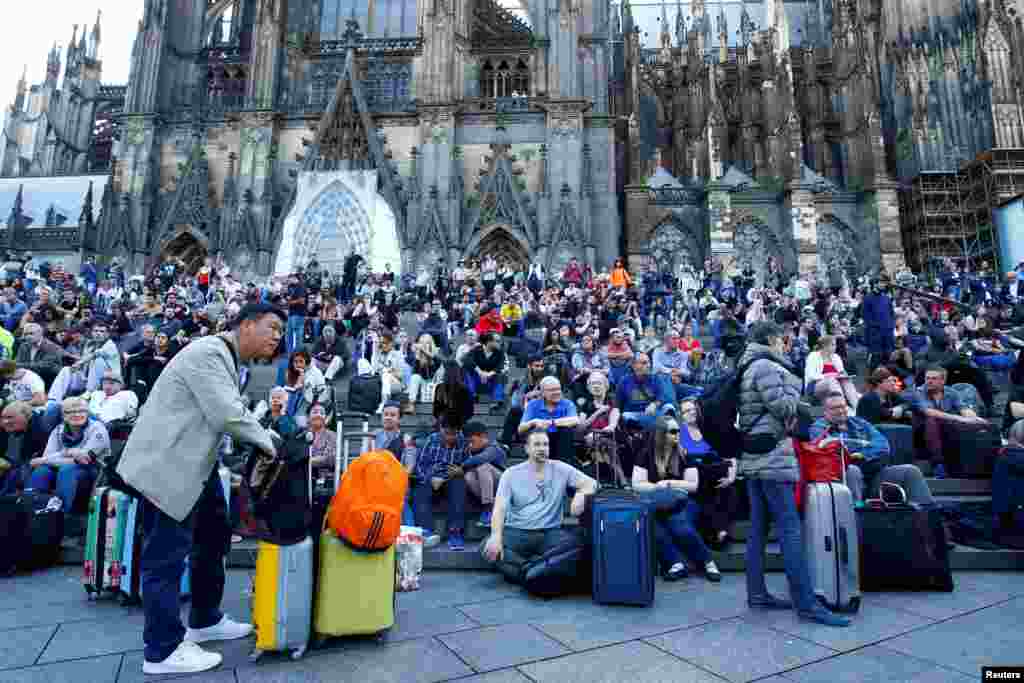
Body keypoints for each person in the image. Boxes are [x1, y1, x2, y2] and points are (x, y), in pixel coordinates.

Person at [116, 303, 284, 675]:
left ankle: (205, 618)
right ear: (246, 324)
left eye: (280, 331)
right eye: (272, 327)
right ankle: (161, 651)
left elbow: (228, 409)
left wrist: (263, 435)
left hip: (195, 466)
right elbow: (226, 413)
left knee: (213, 536)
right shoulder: (209, 352)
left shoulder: (225, 358)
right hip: (167, 466)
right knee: (166, 555)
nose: (277, 336)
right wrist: (272, 444)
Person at [738, 321, 851, 627]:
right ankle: (807, 605)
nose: (785, 344)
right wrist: (800, 391)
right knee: (789, 529)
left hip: (755, 456)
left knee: (759, 530)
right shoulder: (766, 366)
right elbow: (783, 407)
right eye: (781, 339)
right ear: (771, 339)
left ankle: (757, 593)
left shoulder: (749, 364)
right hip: (773, 457)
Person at [483, 429, 597, 583]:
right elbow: (499, 508)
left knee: (579, 545)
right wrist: (496, 536)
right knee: (486, 546)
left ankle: (525, 573)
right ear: (527, 449)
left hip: (550, 533)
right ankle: (533, 570)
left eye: (545, 444)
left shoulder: (560, 468)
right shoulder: (511, 474)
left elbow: (592, 483)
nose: (542, 448)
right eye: (537, 444)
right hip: (517, 532)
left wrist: (581, 494)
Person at [631, 416, 721, 581]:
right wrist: (658, 487)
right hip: (656, 502)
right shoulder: (646, 454)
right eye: (673, 431)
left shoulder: (684, 453)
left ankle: (708, 562)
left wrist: (670, 482)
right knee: (653, 527)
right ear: (661, 434)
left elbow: (693, 485)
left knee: (681, 528)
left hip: (683, 502)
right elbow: (636, 484)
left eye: (678, 430)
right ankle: (676, 563)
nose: (677, 434)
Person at [811, 393, 935, 506]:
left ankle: (927, 516)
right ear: (825, 412)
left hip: (873, 474)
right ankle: (856, 516)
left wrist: (862, 454)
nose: (841, 411)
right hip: (843, 477)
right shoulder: (818, 428)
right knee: (853, 470)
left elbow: (883, 445)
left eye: (843, 406)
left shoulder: (860, 423)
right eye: (835, 408)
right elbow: (836, 450)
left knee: (910, 471)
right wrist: (863, 448)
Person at [27, 396, 110, 514]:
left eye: (81, 411)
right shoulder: (58, 430)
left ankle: (62, 512)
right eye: (71, 412)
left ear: (87, 413)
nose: (77, 414)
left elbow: (84, 460)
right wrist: (68, 453)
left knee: (67, 469)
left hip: (95, 473)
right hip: (65, 466)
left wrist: (57, 456)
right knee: (43, 470)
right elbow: (47, 456)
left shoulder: (98, 429)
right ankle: (31, 506)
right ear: (64, 416)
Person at [904, 365, 990, 478]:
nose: (929, 381)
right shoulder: (918, 392)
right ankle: (938, 464)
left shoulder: (951, 392)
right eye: (927, 378)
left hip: (945, 428)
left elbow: (964, 410)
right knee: (932, 420)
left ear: (943, 380)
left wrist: (975, 419)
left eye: (934, 378)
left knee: (975, 424)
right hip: (921, 430)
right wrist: (958, 418)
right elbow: (930, 412)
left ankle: (972, 464)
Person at [677, 398, 740, 548]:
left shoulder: (711, 429)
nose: (690, 413)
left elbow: (730, 456)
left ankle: (719, 532)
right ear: (681, 415)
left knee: (730, 490)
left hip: (716, 476)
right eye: (686, 411)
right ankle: (719, 532)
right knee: (707, 494)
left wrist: (731, 477)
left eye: (692, 409)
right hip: (694, 479)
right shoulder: (679, 433)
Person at [411, 416, 470, 551]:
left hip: (451, 477)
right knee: (420, 488)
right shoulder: (432, 439)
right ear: (441, 429)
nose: (450, 437)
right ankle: (426, 530)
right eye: (447, 433)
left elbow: (468, 465)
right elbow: (420, 464)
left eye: (453, 434)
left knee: (459, 485)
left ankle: (455, 531)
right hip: (431, 476)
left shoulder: (463, 442)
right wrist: (430, 478)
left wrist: (461, 471)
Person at [518, 376, 581, 465]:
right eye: (552, 390)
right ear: (543, 393)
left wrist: (551, 422)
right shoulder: (533, 404)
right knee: (538, 432)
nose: (557, 392)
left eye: (558, 389)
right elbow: (520, 429)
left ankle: (563, 467)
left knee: (566, 430)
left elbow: (575, 420)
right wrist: (533, 422)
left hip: (561, 443)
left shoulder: (567, 403)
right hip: (541, 442)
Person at [461, 421, 507, 526]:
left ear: (482, 436)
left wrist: (462, 466)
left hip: (502, 484)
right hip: (485, 490)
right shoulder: (470, 450)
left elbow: (482, 458)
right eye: (467, 442)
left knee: (483, 466)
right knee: (468, 476)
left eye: (472, 441)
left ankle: (488, 509)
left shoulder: (493, 447)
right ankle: (490, 506)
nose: (469, 445)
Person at [0, 401, 50, 495]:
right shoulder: (4, 428)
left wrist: (10, 465)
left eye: (10, 417)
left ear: (27, 416)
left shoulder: (40, 430)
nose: (5, 421)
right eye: (3, 418)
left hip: (28, 466)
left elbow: (39, 457)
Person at [804, 335, 860, 408]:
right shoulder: (813, 356)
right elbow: (811, 375)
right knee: (831, 381)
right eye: (833, 345)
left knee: (846, 381)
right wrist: (827, 376)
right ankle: (843, 406)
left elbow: (841, 372)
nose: (835, 347)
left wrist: (843, 375)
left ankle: (856, 407)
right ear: (825, 346)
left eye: (835, 344)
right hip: (814, 385)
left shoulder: (836, 357)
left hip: (835, 382)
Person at [464, 332, 506, 412]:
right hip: (476, 377)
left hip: (491, 377)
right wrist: (480, 372)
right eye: (497, 341)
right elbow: (468, 361)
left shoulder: (500, 352)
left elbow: (500, 366)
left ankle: (496, 400)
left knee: (500, 376)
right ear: (489, 342)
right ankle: (471, 396)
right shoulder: (477, 349)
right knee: (467, 372)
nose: (499, 343)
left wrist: (489, 374)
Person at [433, 360, 474, 430]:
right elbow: (470, 411)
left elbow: (436, 411)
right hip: (459, 426)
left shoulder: (439, 388)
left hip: (444, 426)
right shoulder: (464, 389)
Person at [408, 334, 442, 406]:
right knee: (415, 377)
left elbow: (437, 363)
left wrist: (425, 352)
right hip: (422, 383)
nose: (423, 345)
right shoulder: (416, 356)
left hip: (432, 383)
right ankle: (411, 403)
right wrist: (417, 358)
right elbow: (415, 372)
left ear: (430, 344)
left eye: (426, 343)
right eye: (421, 343)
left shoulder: (436, 354)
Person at [307, 403, 337, 470]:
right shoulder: (301, 434)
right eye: (315, 412)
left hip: (323, 476)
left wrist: (305, 461)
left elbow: (329, 459)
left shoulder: (332, 435)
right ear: (308, 416)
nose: (318, 415)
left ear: (326, 418)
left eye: (322, 413)